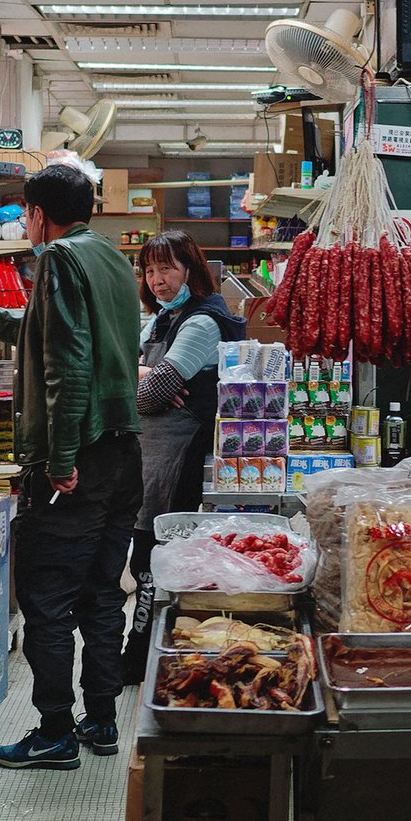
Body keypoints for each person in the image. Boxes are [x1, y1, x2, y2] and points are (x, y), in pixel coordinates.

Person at [0, 164, 141, 771]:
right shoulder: (111, 259)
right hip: (124, 453)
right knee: (102, 593)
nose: (26, 224)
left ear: (38, 214)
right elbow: (56, 335)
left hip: (80, 458)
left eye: (25, 214)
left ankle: (53, 731)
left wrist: (62, 460)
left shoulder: (57, 260)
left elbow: (68, 366)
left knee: (47, 598)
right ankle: (101, 720)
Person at [120, 231, 246, 681]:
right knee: (145, 553)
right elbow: (124, 373)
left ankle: (144, 660)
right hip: (149, 454)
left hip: (175, 457)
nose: (157, 280)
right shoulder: (158, 322)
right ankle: (149, 654)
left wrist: (139, 379)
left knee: (157, 558)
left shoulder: (201, 323)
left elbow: (151, 396)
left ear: (190, 270)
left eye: (167, 268)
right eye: (149, 270)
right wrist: (140, 373)